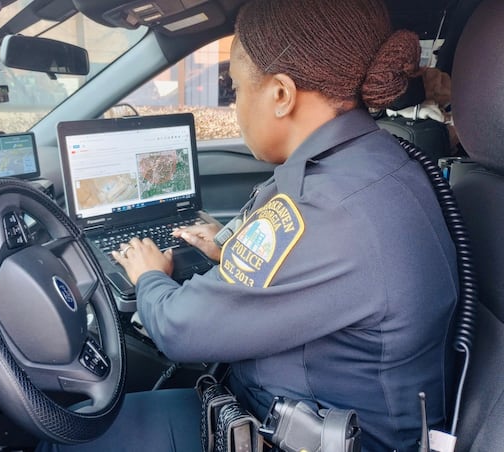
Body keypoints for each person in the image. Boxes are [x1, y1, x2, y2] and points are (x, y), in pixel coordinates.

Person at [40, 0, 458, 450]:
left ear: (281, 94)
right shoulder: (377, 163)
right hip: (300, 407)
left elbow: (179, 329)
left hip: (298, 436)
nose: (235, 104)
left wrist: (148, 277)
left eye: (235, 88)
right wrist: (228, 253)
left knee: (68, 436)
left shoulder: (328, 209)